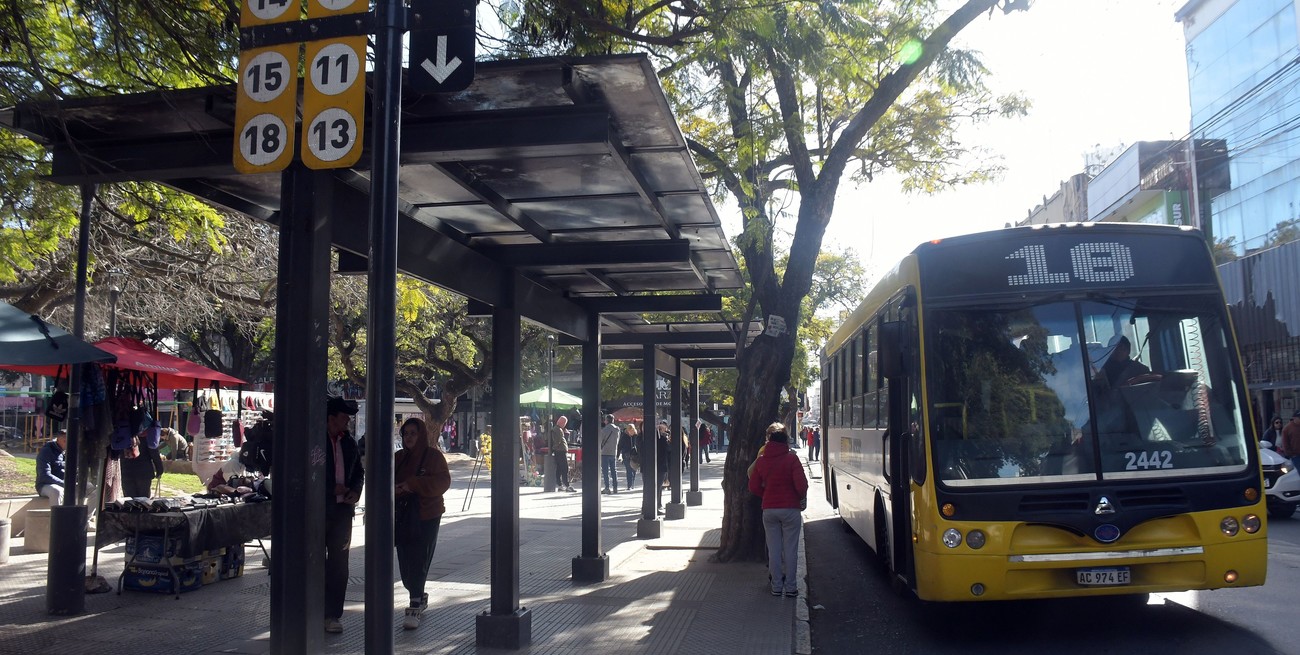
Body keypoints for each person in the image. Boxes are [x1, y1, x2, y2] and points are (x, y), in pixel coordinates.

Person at [394, 417, 451, 630]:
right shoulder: (398, 458)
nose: (409, 437)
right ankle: (418, 593)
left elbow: (443, 481)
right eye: (406, 433)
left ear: (422, 435)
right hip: (403, 516)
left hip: (427, 515)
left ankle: (415, 601)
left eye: (413, 433)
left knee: (419, 557)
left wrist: (413, 485)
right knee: (405, 558)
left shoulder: (433, 457)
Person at [748, 429, 808, 597]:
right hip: (790, 509)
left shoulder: (761, 461)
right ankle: (790, 587)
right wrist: (798, 497)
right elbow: (801, 486)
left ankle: (776, 586)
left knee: (773, 549)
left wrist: (766, 495)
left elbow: (753, 486)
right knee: (790, 549)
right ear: (785, 442)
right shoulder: (792, 459)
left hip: (769, 509)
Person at [324, 396, 364, 634]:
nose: (347, 422)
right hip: (318, 510)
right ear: (330, 419)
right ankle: (314, 609)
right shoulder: (315, 441)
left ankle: (332, 615)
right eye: (343, 418)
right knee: (315, 561)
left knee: (339, 564)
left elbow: (359, 471)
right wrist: (330, 489)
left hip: (342, 511)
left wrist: (356, 491)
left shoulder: (348, 442)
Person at [120, 433, 164, 498]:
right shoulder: (147, 434)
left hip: (127, 470)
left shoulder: (123, 432)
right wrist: (159, 469)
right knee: (143, 500)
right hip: (143, 471)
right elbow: (154, 453)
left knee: (129, 500)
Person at [35, 429, 67, 507]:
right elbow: (44, 475)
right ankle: (57, 518)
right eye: (65, 441)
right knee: (57, 491)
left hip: (66, 484)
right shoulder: (46, 451)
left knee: (93, 489)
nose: (68, 444)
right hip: (46, 485)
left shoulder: (67, 451)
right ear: (58, 439)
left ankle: (85, 518)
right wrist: (64, 484)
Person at [548, 415, 574, 492]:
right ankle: (567, 485)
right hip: (560, 451)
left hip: (558, 451)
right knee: (564, 468)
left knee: (559, 468)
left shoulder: (557, 429)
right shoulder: (558, 430)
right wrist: (555, 448)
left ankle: (560, 484)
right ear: (562, 423)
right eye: (565, 423)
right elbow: (558, 441)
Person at [599, 414, 620, 494]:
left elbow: (600, 441)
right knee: (614, 470)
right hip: (613, 452)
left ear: (607, 420)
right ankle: (615, 487)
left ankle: (607, 487)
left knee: (605, 471)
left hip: (605, 452)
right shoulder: (617, 429)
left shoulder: (604, 430)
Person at [619, 423, 639, 489]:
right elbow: (620, 446)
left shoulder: (636, 436)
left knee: (634, 470)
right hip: (626, 455)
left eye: (632, 430)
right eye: (629, 430)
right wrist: (618, 455)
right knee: (629, 471)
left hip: (635, 456)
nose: (631, 432)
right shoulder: (624, 436)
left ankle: (632, 484)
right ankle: (629, 485)